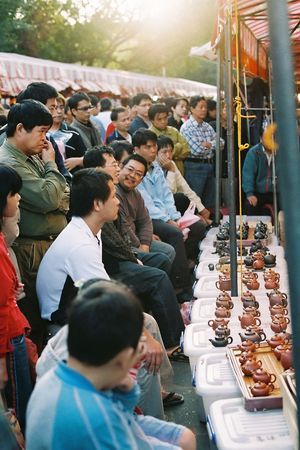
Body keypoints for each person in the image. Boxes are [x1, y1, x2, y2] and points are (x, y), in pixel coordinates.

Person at [26, 280, 196, 450]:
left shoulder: (55, 376)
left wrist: (126, 389)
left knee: (185, 438)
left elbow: (122, 416)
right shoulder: (95, 417)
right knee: (186, 442)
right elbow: (116, 423)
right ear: (123, 360)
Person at [82, 147, 185, 350]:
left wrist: (143, 245)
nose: (129, 174)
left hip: (126, 250)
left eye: (139, 174)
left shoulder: (120, 191)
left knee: (162, 260)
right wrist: (135, 255)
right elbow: (118, 238)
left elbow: (144, 221)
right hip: (113, 261)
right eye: (118, 166)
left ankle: (159, 311)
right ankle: (174, 340)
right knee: (158, 274)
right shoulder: (101, 193)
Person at [0, 100, 69, 349]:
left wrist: (54, 195)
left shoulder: (29, 155)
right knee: (35, 318)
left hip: (45, 245)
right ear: (20, 129)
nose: (45, 139)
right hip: (30, 251)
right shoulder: (9, 162)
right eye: (41, 131)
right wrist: (51, 164)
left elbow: (63, 194)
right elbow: (48, 196)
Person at [133, 129, 204, 291]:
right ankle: (181, 285)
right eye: (148, 147)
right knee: (174, 233)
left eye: (154, 147)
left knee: (198, 226)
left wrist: (174, 216)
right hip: (148, 217)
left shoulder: (155, 166)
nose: (153, 151)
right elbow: (146, 204)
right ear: (136, 149)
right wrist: (167, 220)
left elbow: (166, 195)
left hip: (164, 214)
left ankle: (183, 262)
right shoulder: (136, 169)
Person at [0, 165, 32, 430]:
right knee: (19, 411)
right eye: (14, 193)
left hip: (13, 331)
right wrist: (1, 361)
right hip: (7, 341)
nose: (18, 198)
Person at [116, 153, 176, 264]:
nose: (133, 176)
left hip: (138, 240)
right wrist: (140, 246)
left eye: (138, 174)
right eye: (130, 169)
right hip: (124, 244)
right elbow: (123, 227)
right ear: (120, 167)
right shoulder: (114, 191)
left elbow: (145, 221)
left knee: (169, 251)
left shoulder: (136, 193)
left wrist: (145, 244)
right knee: (161, 259)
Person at [156, 135, 212, 226]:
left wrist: (202, 209)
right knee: (180, 198)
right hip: (162, 206)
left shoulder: (171, 164)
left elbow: (185, 188)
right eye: (164, 152)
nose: (168, 155)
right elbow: (170, 191)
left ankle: (199, 217)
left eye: (170, 151)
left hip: (173, 204)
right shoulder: (156, 167)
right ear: (156, 153)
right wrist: (170, 171)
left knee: (194, 202)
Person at [181, 95, 223, 209]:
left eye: (205, 107)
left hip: (209, 165)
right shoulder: (187, 127)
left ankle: (210, 224)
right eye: (201, 107)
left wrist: (209, 144)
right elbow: (196, 150)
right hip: (194, 166)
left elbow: (221, 143)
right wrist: (212, 144)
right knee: (195, 201)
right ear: (192, 109)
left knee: (210, 201)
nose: (204, 110)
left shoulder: (207, 126)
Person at [242, 128, 279, 216]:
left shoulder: (282, 152)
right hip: (258, 192)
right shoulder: (254, 152)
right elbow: (248, 175)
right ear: (261, 138)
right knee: (249, 204)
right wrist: (250, 193)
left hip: (278, 192)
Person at [48, 94, 86, 173]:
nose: (58, 111)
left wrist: (78, 161)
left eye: (61, 108)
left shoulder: (73, 133)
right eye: (54, 108)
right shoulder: (41, 134)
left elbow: (87, 157)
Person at [149, 103, 190, 175]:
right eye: (159, 119)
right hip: (159, 174)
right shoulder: (149, 134)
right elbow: (154, 157)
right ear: (152, 120)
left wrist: (166, 154)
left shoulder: (173, 131)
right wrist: (178, 147)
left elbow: (186, 150)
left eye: (165, 118)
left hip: (178, 172)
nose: (163, 121)